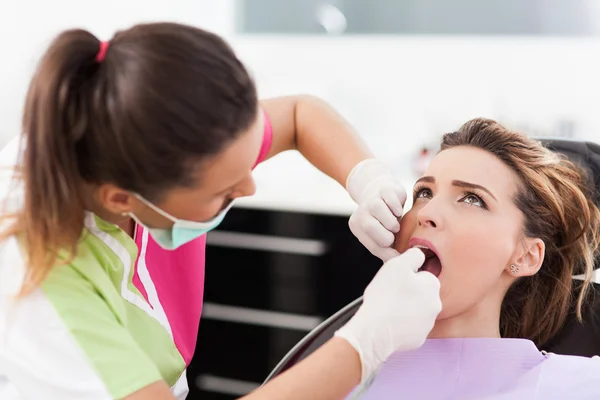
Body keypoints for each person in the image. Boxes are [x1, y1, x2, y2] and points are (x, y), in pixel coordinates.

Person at [0, 22, 440, 400]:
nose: (248, 187)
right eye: (225, 191)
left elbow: (300, 114)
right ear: (121, 199)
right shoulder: (40, 285)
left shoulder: (146, 132)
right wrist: (365, 344)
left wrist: (366, 178)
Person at [350, 118, 600, 399]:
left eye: (472, 199)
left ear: (527, 256)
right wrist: (365, 179)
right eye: (423, 192)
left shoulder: (582, 387)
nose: (426, 212)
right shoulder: (335, 379)